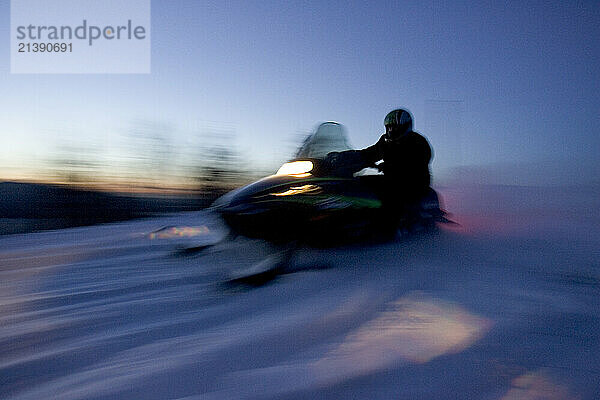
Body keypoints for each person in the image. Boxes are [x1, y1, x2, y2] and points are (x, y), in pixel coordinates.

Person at [326, 108, 433, 230]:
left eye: (395, 127)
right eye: (389, 127)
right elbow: (369, 153)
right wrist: (342, 157)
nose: (391, 130)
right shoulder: (386, 141)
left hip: (414, 181)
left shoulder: (418, 142)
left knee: (390, 194)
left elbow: (418, 163)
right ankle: (344, 216)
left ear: (405, 126)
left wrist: (393, 166)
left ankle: (389, 228)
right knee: (357, 183)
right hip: (391, 179)